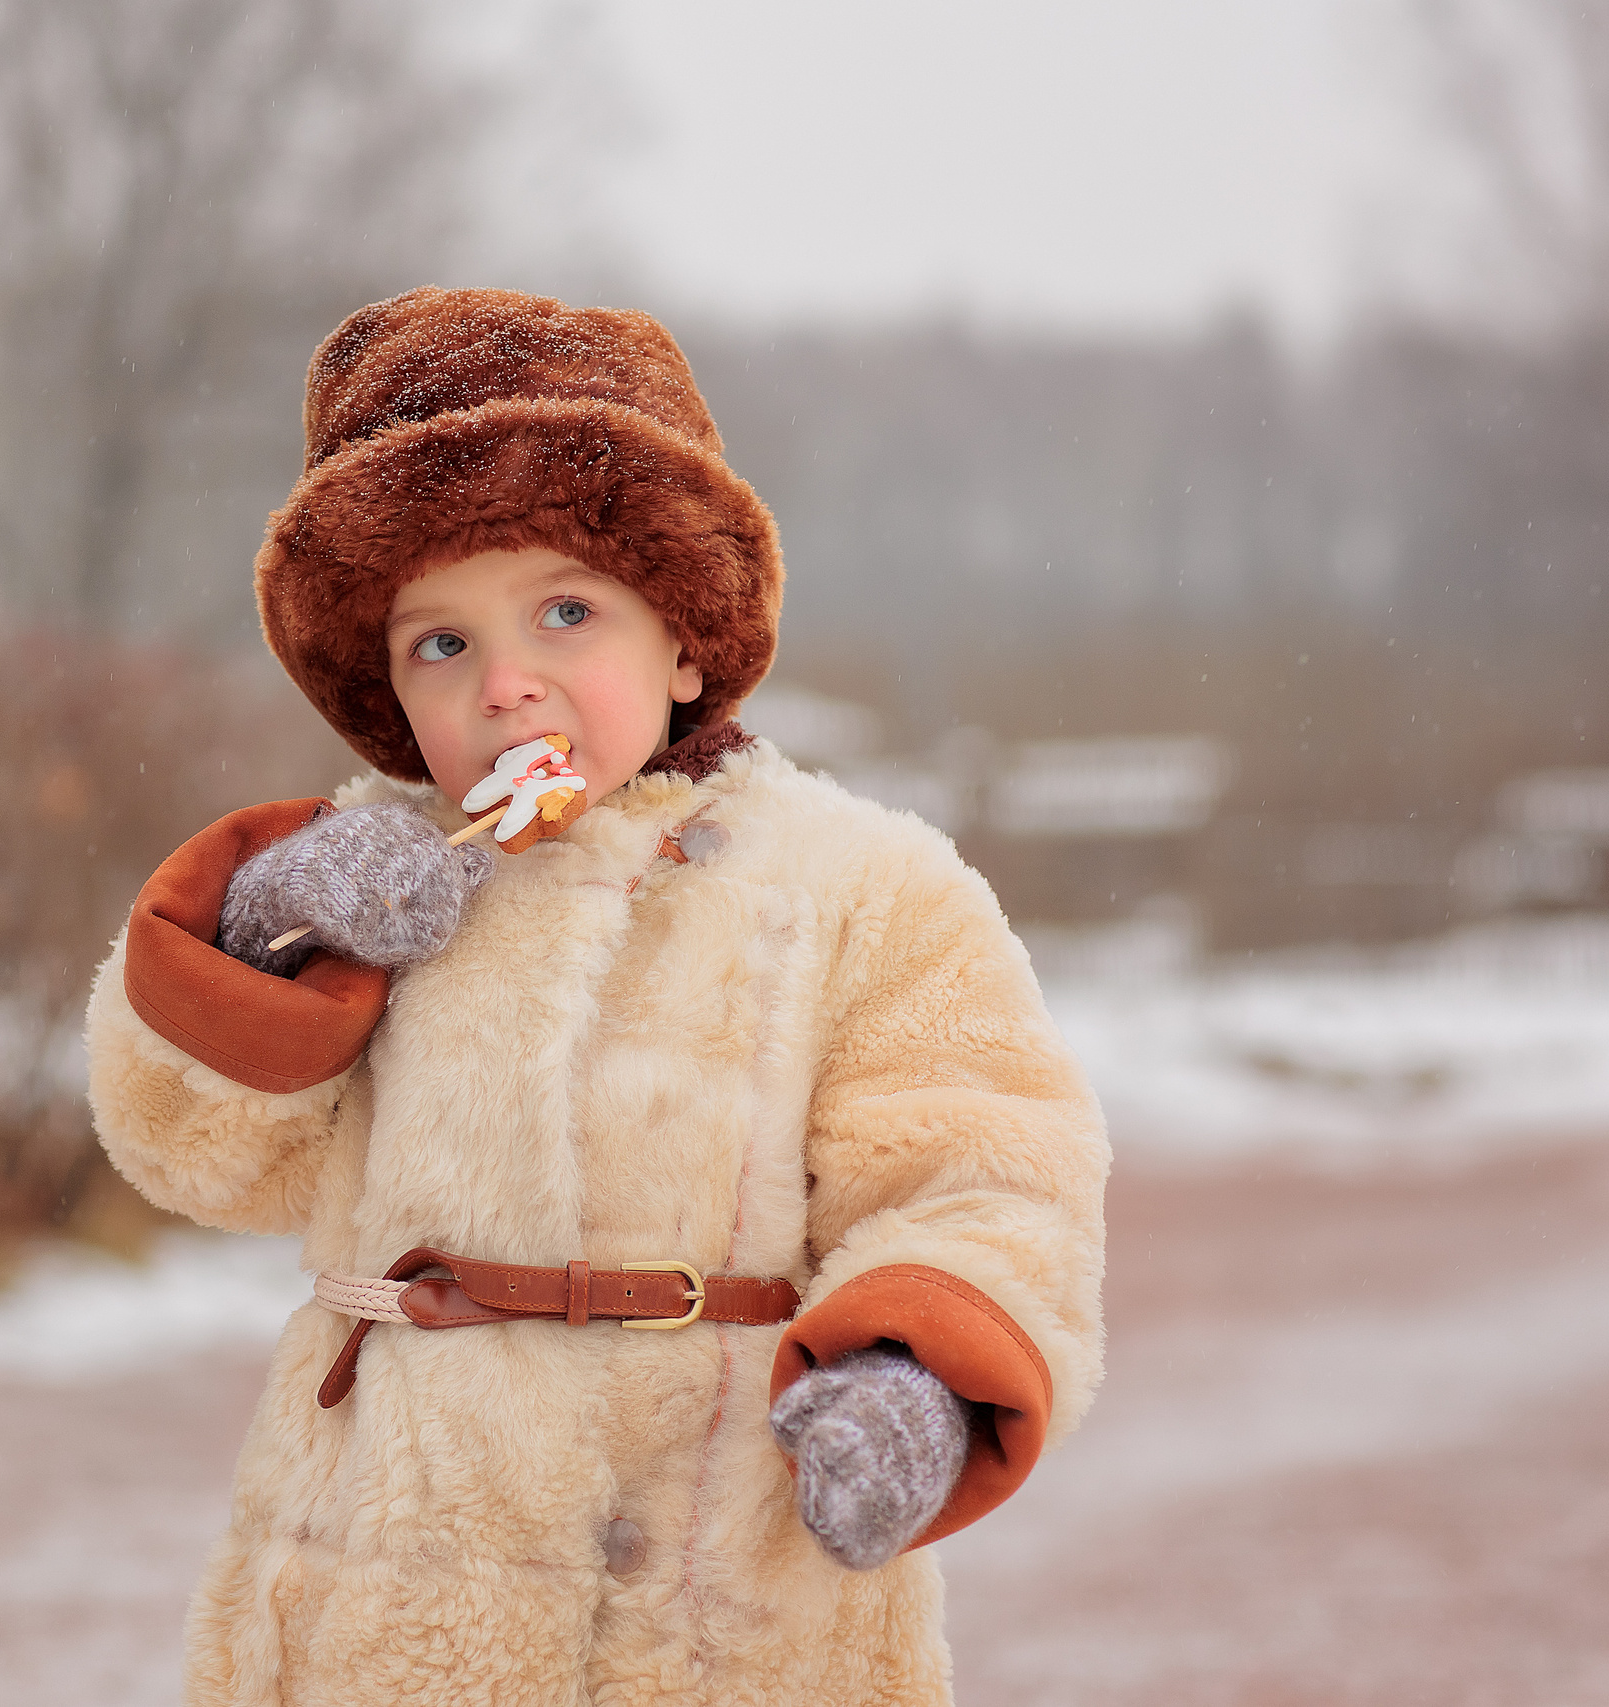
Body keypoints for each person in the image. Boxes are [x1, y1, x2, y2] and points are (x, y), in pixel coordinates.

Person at [85, 287, 1107, 1706]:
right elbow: (199, 1153)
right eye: (441, 644)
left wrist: (908, 1381)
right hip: (396, 1577)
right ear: (390, 694)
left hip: (729, 1579)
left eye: (565, 612)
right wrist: (272, 933)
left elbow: (984, 1167)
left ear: (682, 638)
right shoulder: (372, 884)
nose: (507, 685)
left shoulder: (864, 889)